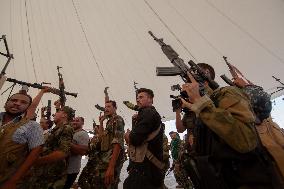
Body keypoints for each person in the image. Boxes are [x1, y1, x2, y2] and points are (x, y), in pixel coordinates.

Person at [180, 64, 282, 188]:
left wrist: (201, 105)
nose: (186, 84)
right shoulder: (202, 105)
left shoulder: (226, 94)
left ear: (204, 74)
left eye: (189, 77)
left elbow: (245, 141)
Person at [0, 91, 44, 189]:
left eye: (23, 102)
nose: (17, 103)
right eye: (14, 100)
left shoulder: (33, 126)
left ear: (28, 108)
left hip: (6, 180)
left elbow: (35, 154)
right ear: (6, 103)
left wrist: (13, 181)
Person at [78, 100, 125, 189]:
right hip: (104, 159)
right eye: (105, 107)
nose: (106, 109)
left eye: (109, 107)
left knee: (107, 184)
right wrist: (101, 123)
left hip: (111, 160)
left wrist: (111, 167)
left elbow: (118, 142)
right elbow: (101, 138)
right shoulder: (109, 122)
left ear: (115, 108)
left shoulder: (117, 119)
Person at [26, 106, 75, 189]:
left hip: (52, 175)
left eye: (58, 112)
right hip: (44, 172)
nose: (54, 114)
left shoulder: (67, 128)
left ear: (64, 115)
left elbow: (63, 152)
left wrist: (38, 161)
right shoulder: (56, 129)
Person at [124, 88, 163, 189]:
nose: (137, 100)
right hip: (147, 168)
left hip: (145, 170)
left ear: (150, 99)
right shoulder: (147, 113)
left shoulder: (148, 113)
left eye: (141, 97)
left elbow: (136, 139)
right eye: (137, 98)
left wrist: (127, 135)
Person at [63, 116, 89, 189]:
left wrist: (67, 143)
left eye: (77, 121)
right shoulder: (71, 132)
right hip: (64, 169)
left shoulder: (83, 134)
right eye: (73, 120)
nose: (74, 122)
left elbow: (83, 151)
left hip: (71, 170)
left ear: (82, 123)